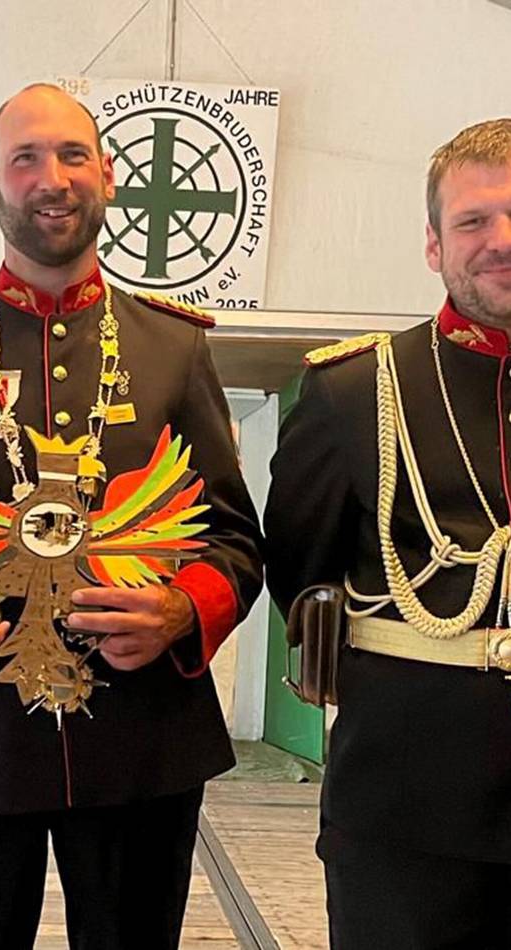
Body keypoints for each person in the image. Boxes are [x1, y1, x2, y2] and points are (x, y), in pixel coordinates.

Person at [0, 83, 262, 950]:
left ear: (108, 174)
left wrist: (184, 608)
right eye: (24, 158)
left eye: (72, 155)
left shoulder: (173, 345)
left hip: (145, 745)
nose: (52, 179)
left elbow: (235, 539)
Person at [265, 118, 511, 949]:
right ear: (434, 245)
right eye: (473, 221)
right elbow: (301, 572)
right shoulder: (354, 392)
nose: (501, 240)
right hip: (405, 810)